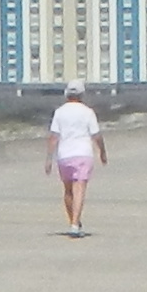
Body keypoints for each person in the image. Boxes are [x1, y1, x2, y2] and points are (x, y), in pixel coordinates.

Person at [47, 87, 101, 234]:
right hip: (83, 153)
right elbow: (96, 135)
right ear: (82, 95)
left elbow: (53, 136)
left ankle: (74, 222)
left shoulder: (60, 112)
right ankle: (75, 224)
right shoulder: (88, 112)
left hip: (64, 155)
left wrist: (48, 159)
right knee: (80, 189)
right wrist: (102, 151)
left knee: (68, 190)